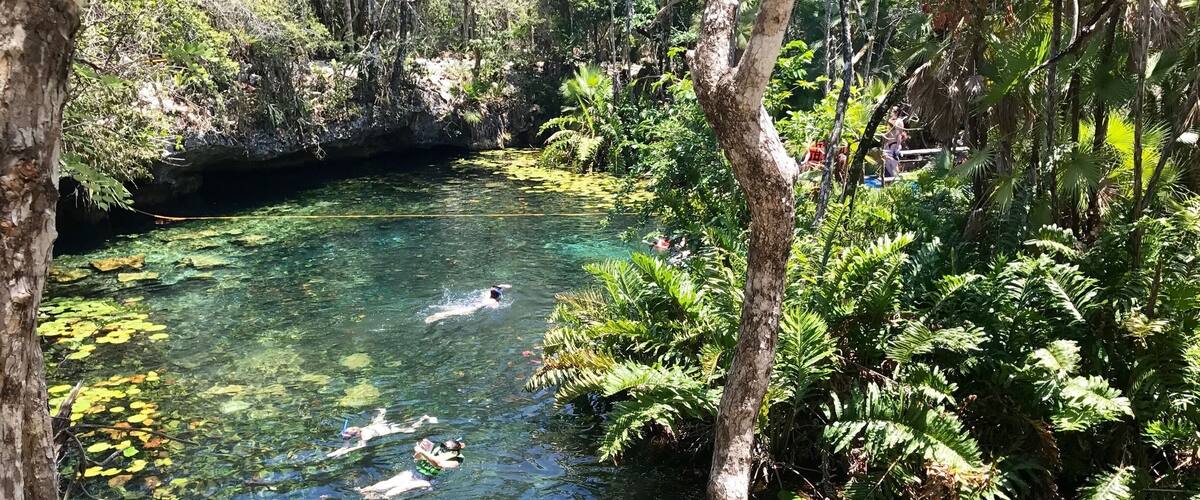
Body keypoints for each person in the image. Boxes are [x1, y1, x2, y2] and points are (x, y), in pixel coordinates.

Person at [356, 438, 465, 497]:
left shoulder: (456, 460)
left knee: (403, 488)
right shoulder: (434, 449)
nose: (442, 449)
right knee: (388, 483)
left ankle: (384, 497)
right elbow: (417, 459)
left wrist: (423, 452)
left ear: (453, 451)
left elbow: (438, 464)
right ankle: (365, 491)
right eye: (442, 445)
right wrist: (419, 450)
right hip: (415, 472)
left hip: (429, 480)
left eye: (446, 448)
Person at [328, 409, 436, 458]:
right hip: (377, 425)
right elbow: (346, 444)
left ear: (356, 435)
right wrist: (338, 451)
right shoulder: (359, 429)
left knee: (412, 430)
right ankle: (382, 411)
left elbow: (360, 446)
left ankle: (424, 418)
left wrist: (346, 451)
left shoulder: (365, 436)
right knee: (379, 417)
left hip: (388, 429)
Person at [423, 285, 511, 324]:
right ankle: (439, 315)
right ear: (498, 296)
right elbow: (495, 309)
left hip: (472, 304)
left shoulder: (487, 294)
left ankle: (441, 314)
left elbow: (494, 288)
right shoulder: (493, 302)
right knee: (453, 314)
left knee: (456, 310)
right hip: (473, 309)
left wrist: (503, 286)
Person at [882, 109, 908, 179]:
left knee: (893, 163)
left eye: (892, 111)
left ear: (896, 112)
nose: (890, 113)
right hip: (887, 145)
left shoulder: (899, 122)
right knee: (887, 164)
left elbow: (899, 134)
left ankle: (897, 179)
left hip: (893, 144)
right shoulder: (889, 120)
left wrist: (898, 146)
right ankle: (889, 181)